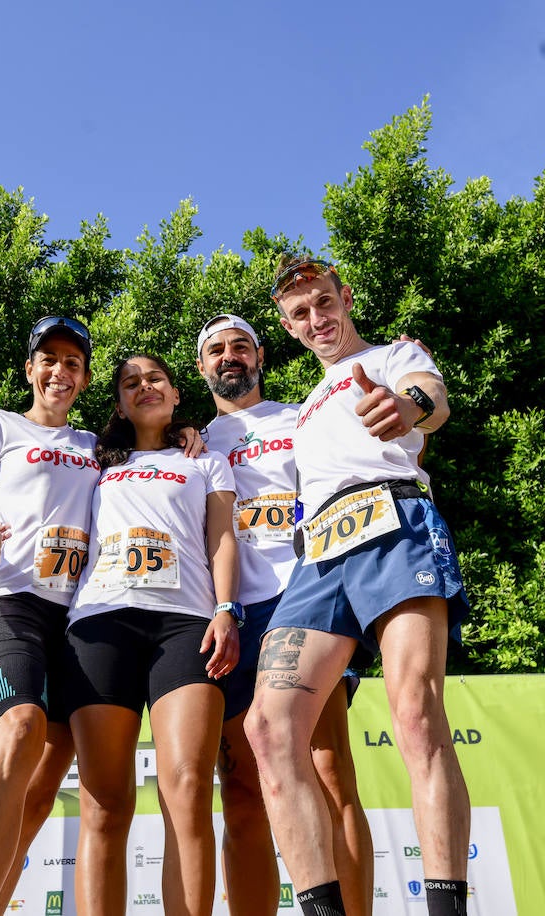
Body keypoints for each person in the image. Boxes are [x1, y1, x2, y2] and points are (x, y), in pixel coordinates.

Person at [245, 256, 472, 916]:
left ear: (345, 298)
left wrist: (406, 408)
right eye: (300, 313)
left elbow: (431, 399)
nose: (317, 319)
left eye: (324, 303)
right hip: (319, 553)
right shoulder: (304, 407)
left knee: (415, 712)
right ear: (287, 328)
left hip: (392, 519)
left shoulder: (395, 354)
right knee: (268, 728)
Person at [194, 314, 374, 916]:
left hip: (305, 599)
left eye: (241, 346)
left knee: (328, 773)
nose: (229, 356)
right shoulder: (189, 443)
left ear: (262, 355)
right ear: (202, 367)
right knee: (243, 793)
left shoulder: (302, 415)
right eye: (216, 350)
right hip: (229, 617)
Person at [64, 353, 242, 916]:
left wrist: (226, 609)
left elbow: (222, 539)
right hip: (100, 623)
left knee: (188, 791)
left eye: (156, 378)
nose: (145, 387)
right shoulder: (93, 461)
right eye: (130, 383)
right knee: (104, 805)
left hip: (186, 623)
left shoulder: (206, 460)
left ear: (175, 393)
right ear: (117, 402)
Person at [0, 315, 98, 916]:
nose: (60, 371)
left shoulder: (97, 445)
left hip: (81, 617)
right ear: (30, 369)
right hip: (9, 600)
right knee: (17, 729)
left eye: (73, 363)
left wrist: (188, 433)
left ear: (83, 380)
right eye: (49, 360)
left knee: (38, 791)